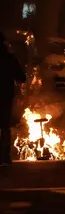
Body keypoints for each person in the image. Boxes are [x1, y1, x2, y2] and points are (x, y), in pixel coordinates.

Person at [0, 31, 26, 166]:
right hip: (5, 95)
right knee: (5, 127)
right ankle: (4, 157)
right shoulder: (9, 58)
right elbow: (21, 76)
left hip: (5, 95)